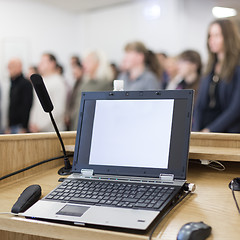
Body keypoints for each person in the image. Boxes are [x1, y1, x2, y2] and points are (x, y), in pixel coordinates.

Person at [193, 19, 240, 133]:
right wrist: (197, 130)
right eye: (210, 36)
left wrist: (210, 130)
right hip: (204, 130)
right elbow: (199, 105)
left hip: (227, 132)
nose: (211, 40)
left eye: (216, 35)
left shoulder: (237, 67)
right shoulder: (209, 67)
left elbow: (236, 108)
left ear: (228, 38)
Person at [30, 53, 67, 132]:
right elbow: (36, 106)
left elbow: (59, 109)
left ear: (52, 63)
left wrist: (41, 126)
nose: (40, 64)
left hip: (53, 130)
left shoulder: (58, 82)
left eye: (43, 62)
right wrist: (32, 122)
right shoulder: (41, 81)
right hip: (37, 130)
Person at [6, 58, 33, 133]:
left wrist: (24, 126)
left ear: (19, 67)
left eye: (12, 66)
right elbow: (12, 106)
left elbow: (27, 106)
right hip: (12, 126)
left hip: (21, 126)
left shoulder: (26, 84)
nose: (9, 69)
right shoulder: (13, 84)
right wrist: (9, 125)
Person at [65, 61, 83, 131]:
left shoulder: (83, 84)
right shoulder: (76, 83)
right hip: (73, 116)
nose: (74, 72)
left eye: (76, 70)